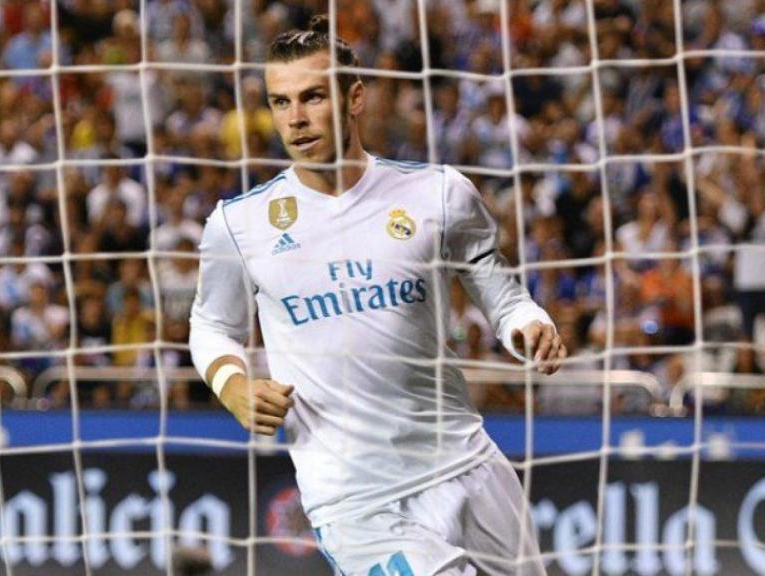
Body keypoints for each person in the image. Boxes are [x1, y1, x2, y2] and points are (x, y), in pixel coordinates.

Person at [189, 15, 566, 576]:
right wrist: (233, 384)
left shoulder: (437, 195)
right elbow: (211, 326)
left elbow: (500, 291)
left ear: (355, 97)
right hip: (355, 497)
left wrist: (529, 324)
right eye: (280, 102)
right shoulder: (239, 225)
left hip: (467, 462)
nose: (295, 118)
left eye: (312, 97)